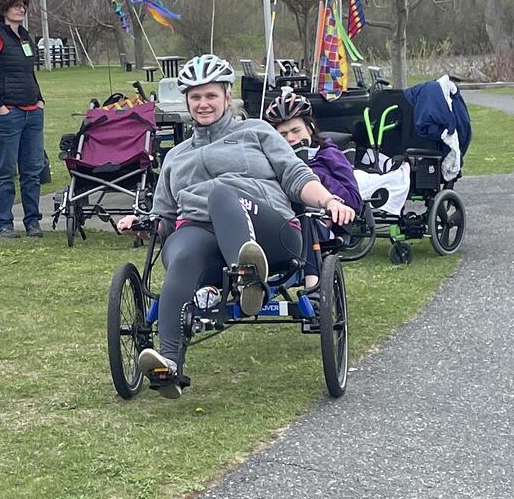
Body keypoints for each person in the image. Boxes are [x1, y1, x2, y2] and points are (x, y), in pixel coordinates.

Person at [115, 55, 356, 398]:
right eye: (195, 97)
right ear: (186, 101)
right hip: (203, 235)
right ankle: (168, 363)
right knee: (182, 255)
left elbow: (297, 175)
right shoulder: (175, 156)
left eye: (211, 95)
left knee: (222, 195)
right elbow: (165, 218)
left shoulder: (256, 132)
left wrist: (330, 201)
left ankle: (249, 277)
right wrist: (141, 225)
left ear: (228, 97)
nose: (203, 103)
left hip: (272, 230)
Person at [0, 0, 46, 238]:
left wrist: (40, 100)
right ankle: (4, 223)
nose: (21, 9)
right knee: (6, 172)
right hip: (7, 115)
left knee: (32, 170)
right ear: (2, 8)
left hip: (32, 113)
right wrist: (1, 107)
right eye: (15, 5)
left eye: (23, 4)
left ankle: (32, 221)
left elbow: (29, 73)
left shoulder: (25, 37)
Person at [263, 88, 362, 211]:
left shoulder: (329, 154)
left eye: (296, 131)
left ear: (310, 128)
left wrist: (310, 174)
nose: (291, 139)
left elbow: (355, 202)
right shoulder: (269, 160)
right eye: (283, 135)